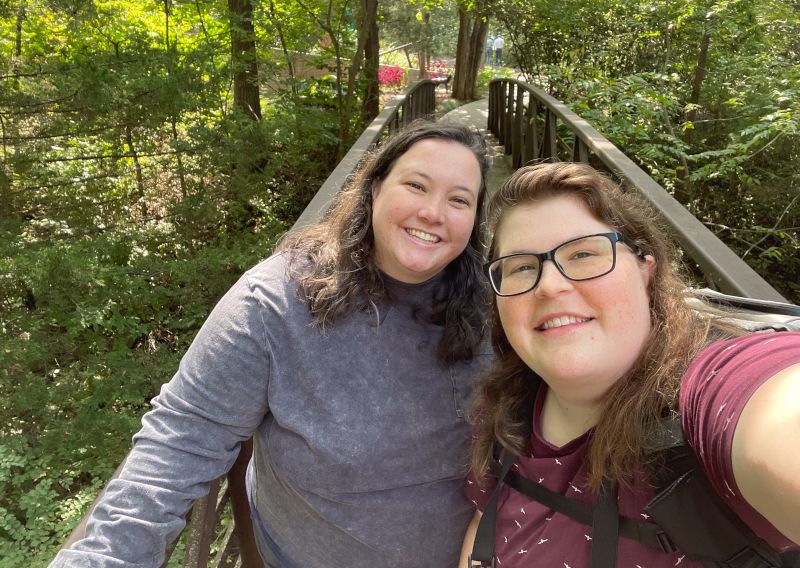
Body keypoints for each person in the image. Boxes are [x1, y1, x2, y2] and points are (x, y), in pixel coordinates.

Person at [51, 121, 493, 568]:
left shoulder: (501, 309)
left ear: (475, 219)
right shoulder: (276, 302)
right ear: (375, 188)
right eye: (416, 185)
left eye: (459, 200)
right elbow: (180, 441)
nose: (434, 213)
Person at [460, 162, 800, 567]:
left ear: (645, 267)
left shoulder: (710, 388)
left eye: (584, 253)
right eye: (520, 267)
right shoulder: (505, 409)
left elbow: (778, 417)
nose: (550, 285)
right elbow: (483, 528)